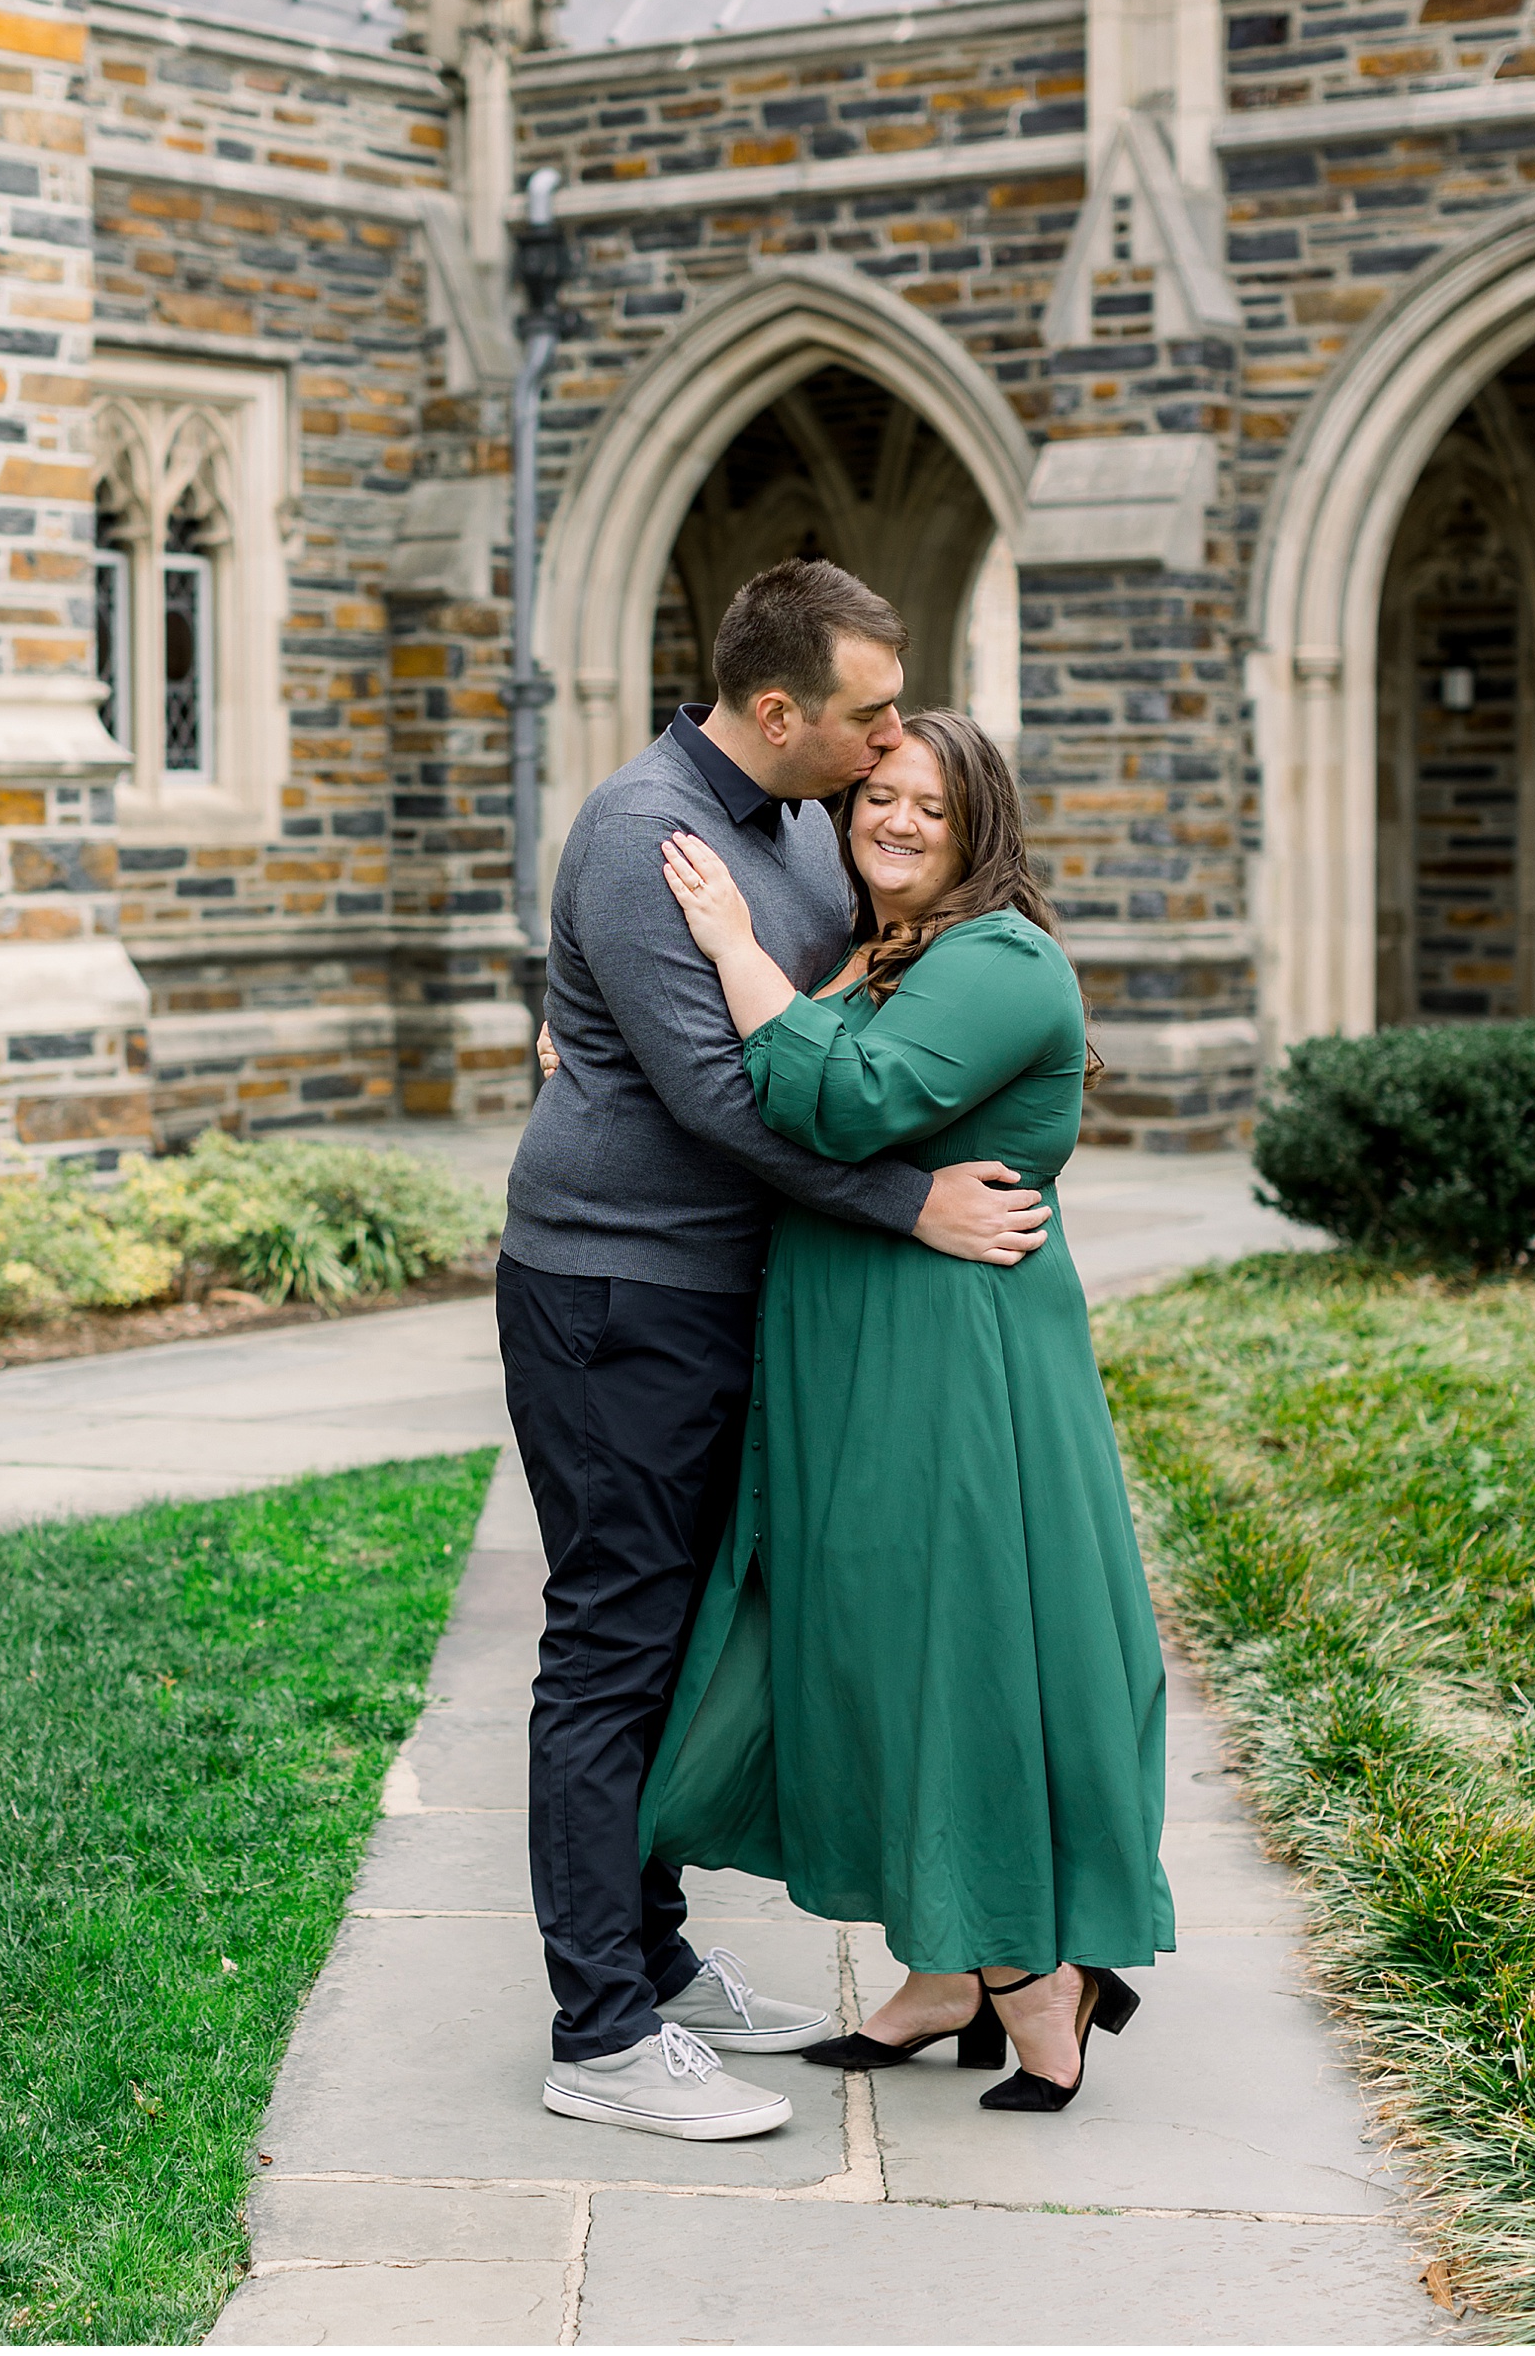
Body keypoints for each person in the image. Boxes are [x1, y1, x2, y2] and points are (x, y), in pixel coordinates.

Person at [498, 560, 1053, 2144]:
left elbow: (829, 1017)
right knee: (612, 1646)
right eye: (871, 713)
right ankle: (601, 2031)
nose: (891, 740)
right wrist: (909, 1203)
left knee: (676, 1644)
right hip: (616, 1294)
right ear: (775, 709)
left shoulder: (802, 823)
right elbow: (726, 1101)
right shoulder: (643, 830)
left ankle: (655, 1957)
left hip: (722, 1290)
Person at [636, 706, 1175, 2112]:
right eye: (880, 793)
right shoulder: (873, 951)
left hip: (955, 1356)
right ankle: (943, 1965)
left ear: (979, 824)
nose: (897, 820)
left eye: (933, 804)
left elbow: (847, 1099)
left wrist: (731, 948)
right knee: (879, 1644)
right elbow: (749, 1089)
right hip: (854, 1347)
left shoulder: (1000, 959)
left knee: (963, 1643)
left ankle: (1033, 1970)